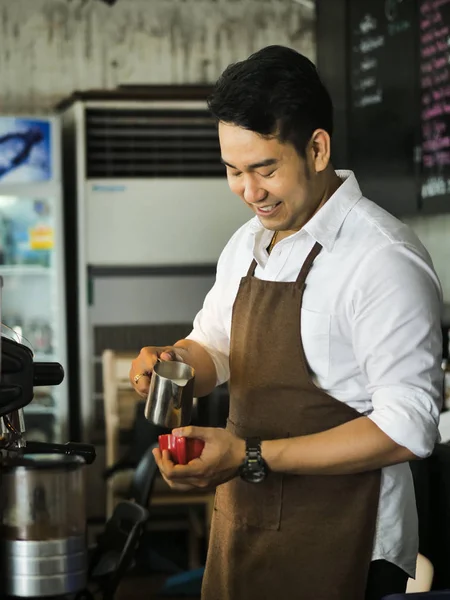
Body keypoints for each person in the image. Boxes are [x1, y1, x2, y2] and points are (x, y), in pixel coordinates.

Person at [129, 45, 443, 600]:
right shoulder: (247, 244)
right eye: (232, 170)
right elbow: (215, 346)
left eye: (264, 169)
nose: (249, 193)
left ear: (317, 148)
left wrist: (250, 455)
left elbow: (409, 425)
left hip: (348, 545)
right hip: (246, 525)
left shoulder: (382, 257)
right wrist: (173, 363)